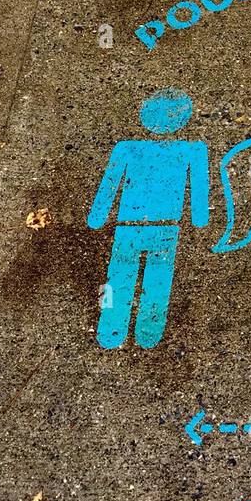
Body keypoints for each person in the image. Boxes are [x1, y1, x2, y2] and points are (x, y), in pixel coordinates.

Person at [87, 90, 209, 349]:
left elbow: (109, 185)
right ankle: (145, 332)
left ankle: (115, 329)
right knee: (156, 276)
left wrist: (97, 217)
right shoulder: (190, 149)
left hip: (131, 224)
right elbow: (198, 189)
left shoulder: (129, 148)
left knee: (124, 273)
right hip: (164, 226)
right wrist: (199, 219)